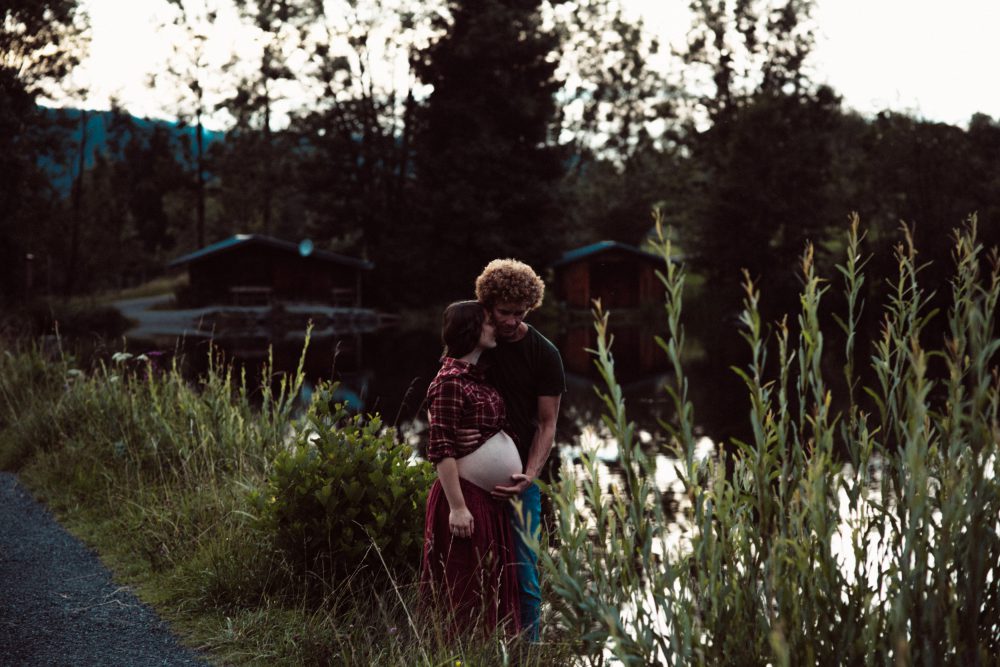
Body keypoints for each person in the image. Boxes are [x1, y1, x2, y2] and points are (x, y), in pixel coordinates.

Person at [474, 259, 566, 642]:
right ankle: (476, 644)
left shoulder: (544, 354)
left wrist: (529, 476)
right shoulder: (475, 343)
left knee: (523, 569)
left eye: (520, 313)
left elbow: (547, 424)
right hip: (472, 479)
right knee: (473, 567)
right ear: (488, 305)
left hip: (520, 480)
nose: (511, 321)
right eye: (503, 313)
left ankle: (529, 649)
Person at [420, 301, 523, 637]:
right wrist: (458, 507)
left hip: (489, 501)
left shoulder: (478, 379)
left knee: (486, 585)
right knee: (463, 588)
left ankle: (490, 653)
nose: (495, 327)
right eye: (488, 323)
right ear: (471, 330)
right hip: (465, 498)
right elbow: (440, 449)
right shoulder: (450, 380)